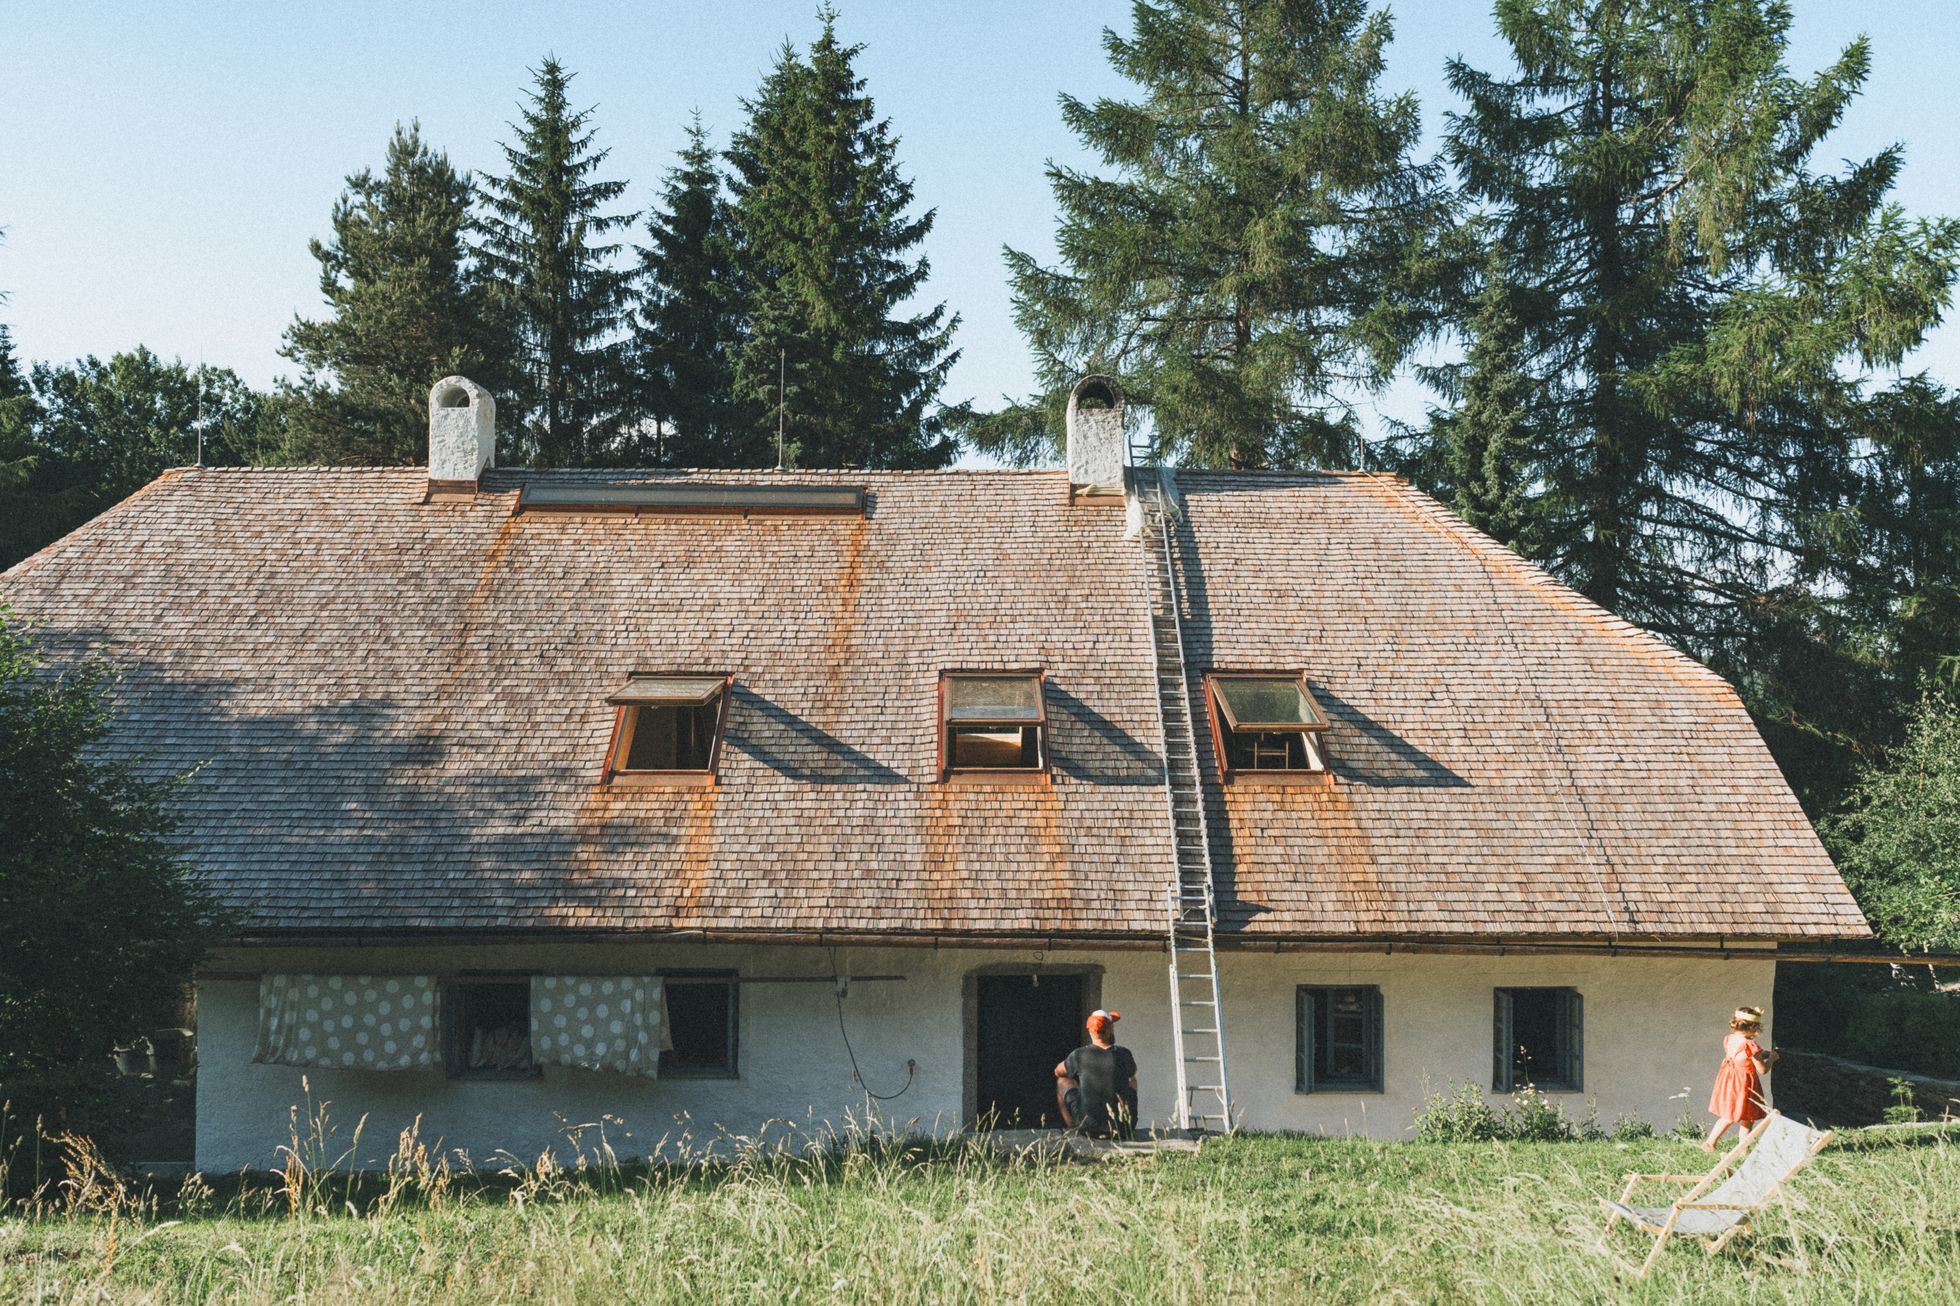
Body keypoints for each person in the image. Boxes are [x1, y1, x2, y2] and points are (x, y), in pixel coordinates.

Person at [1703, 1004, 1779, 1151]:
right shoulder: (1750, 1045)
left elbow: (1742, 1056)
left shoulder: (1729, 1039)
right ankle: (1716, 1144)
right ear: (1752, 1028)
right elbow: (1763, 1069)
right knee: (1744, 1118)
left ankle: (1718, 1144)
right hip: (1744, 1084)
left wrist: (1763, 1054)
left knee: (1733, 1115)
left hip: (1730, 1081)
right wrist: (1771, 1059)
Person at [1054, 1008, 1139, 1138]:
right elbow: (1132, 1073)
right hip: (1124, 1128)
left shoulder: (1079, 1054)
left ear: (1089, 1031)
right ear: (1110, 1029)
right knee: (1132, 1080)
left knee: (1063, 1081)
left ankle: (1072, 1129)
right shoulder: (1124, 1054)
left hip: (1088, 1128)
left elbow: (1058, 1071)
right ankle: (1127, 1117)